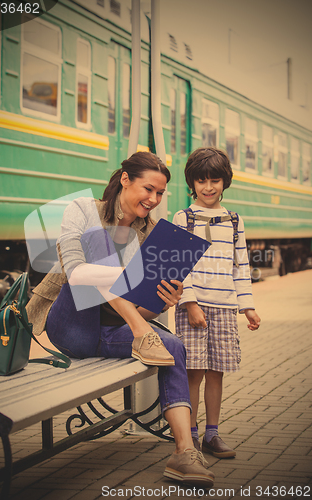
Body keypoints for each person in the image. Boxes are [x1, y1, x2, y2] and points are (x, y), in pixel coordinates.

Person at [26, 151, 215, 487]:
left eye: (160, 194)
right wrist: (132, 273)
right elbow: (76, 272)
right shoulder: (84, 210)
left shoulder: (153, 233)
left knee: (170, 345)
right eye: (149, 189)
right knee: (103, 239)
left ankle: (184, 452)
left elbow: (141, 308)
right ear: (125, 179)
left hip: (115, 329)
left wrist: (162, 303)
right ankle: (145, 334)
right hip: (71, 325)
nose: (154, 200)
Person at [173, 147, 261, 459]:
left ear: (225, 182)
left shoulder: (235, 221)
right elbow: (178, 267)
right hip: (193, 308)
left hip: (224, 308)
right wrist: (191, 303)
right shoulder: (184, 218)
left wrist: (246, 305)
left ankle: (212, 433)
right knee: (193, 372)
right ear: (191, 183)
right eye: (201, 180)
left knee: (216, 372)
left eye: (215, 180)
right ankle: (191, 436)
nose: (208, 187)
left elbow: (242, 266)